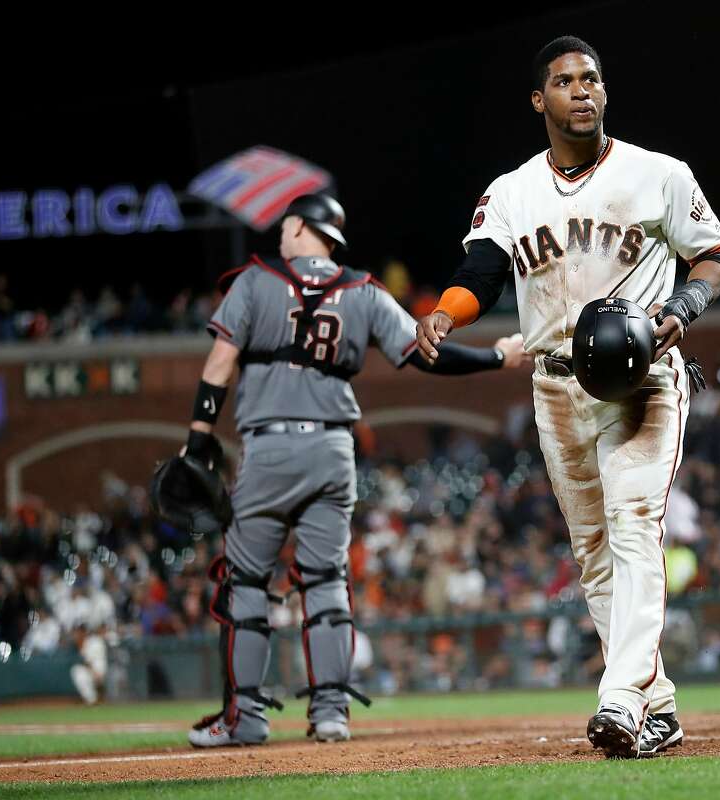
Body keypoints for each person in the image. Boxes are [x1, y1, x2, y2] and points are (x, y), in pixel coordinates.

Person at [415, 36, 720, 757]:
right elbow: (483, 270)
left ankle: (620, 701)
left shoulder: (659, 173)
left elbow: (717, 256)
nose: (583, 90)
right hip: (557, 382)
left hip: (644, 375)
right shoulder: (512, 190)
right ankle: (658, 708)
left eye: (592, 78)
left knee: (632, 524)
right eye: (565, 81)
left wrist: (681, 309)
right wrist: (445, 312)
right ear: (541, 100)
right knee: (593, 554)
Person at [186, 193, 529, 748]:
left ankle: (246, 717)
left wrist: (197, 438)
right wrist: (496, 356)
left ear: (299, 226)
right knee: (325, 582)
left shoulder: (254, 281)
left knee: (247, 580)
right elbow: (426, 352)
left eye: (284, 225)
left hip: (270, 450)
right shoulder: (362, 290)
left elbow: (220, 364)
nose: (279, 234)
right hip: (332, 453)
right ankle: (330, 714)